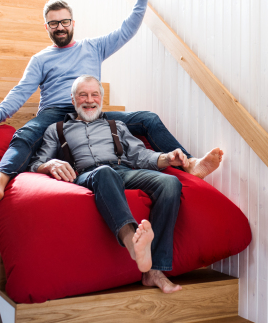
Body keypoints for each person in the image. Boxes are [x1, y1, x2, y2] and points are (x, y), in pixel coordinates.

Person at [0, 0, 223, 201]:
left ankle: (189, 163)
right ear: (47, 27)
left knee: (148, 119)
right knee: (26, 133)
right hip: (55, 112)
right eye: (54, 23)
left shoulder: (93, 47)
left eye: (64, 21)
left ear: (72, 23)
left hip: (91, 111)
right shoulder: (40, 59)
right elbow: (22, 90)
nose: (60, 27)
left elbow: (126, 31)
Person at [30, 75, 189, 293]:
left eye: (94, 94)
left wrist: (167, 158)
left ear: (101, 99)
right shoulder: (56, 129)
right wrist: (49, 164)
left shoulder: (117, 126)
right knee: (104, 172)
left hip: (122, 171)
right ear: (73, 99)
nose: (89, 100)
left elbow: (140, 156)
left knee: (170, 182)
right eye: (82, 95)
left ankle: (154, 271)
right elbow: (36, 163)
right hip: (85, 177)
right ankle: (134, 246)